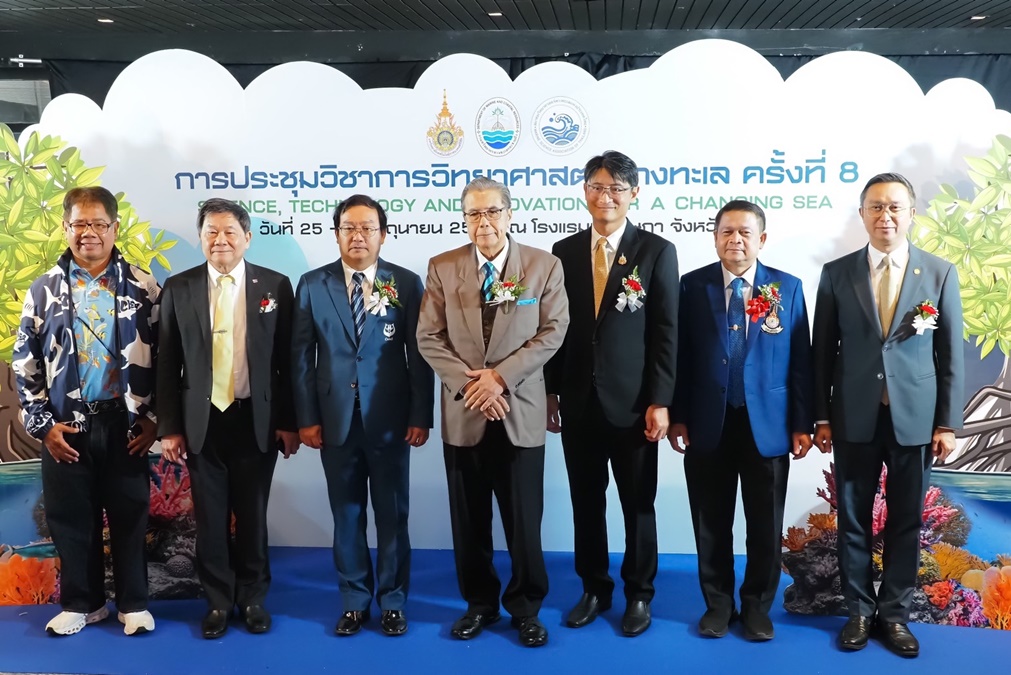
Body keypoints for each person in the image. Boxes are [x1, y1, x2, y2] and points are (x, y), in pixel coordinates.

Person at [812, 173, 964, 657]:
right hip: (853, 416)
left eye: (895, 207)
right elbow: (822, 352)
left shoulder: (939, 273)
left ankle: (894, 615)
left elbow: (949, 355)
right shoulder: (837, 273)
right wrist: (821, 417)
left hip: (915, 419)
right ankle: (859, 612)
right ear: (862, 214)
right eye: (876, 207)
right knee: (853, 520)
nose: (886, 216)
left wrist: (947, 423)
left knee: (905, 522)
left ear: (912, 214)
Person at [417, 176, 568, 647]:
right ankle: (479, 604)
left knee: (524, 523)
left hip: (520, 410)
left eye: (492, 211)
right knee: (469, 521)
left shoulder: (543, 266)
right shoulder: (443, 267)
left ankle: (527, 608)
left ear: (509, 214)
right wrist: (472, 385)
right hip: (466, 412)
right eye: (474, 214)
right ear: (465, 220)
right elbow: (428, 337)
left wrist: (499, 378)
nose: (484, 222)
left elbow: (553, 331)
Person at [13, 186, 160, 637]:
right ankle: (83, 604)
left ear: (114, 227)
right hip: (66, 425)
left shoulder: (143, 285)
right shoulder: (43, 289)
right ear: (65, 227)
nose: (89, 232)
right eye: (79, 223)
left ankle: (133, 603)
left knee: (130, 514)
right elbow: (25, 364)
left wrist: (154, 419)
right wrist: (43, 426)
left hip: (125, 422)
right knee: (70, 516)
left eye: (98, 223)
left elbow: (167, 357)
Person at [545, 150, 679, 636]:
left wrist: (661, 400)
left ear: (634, 194)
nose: (607, 197)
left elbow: (666, 331)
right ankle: (594, 588)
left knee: (638, 505)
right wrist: (551, 392)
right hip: (578, 400)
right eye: (598, 187)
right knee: (587, 502)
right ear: (585, 192)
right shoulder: (563, 251)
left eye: (617, 188)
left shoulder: (656, 251)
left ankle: (639, 593)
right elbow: (554, 328)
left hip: (635, 405)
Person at [669, 200, 813, 641]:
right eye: (727, 232)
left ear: (761, 239)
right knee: (710, 522)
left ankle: (756, 607)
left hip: (767, 426)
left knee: (765, 526)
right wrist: (678, 416)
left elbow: (801, 363)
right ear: (715, 238)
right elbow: (679, 357)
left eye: (745, 232)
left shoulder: (787, 287)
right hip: (707, 423)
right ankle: (717, 605)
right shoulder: (692, 286)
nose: (735, 240)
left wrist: (802, 424)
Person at [291, 194, 434, 637]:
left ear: (383, 235)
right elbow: (301, 358)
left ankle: (393, 602)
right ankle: (354, 601)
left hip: (390, 421)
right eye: (349, 228)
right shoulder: (312, 284)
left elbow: (420, 356)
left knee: (393, 515)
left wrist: (421, 415)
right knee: (347, 515)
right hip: (335, 421)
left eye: (367, 228)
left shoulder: (405, 283)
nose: (358, 236)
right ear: (336, 234)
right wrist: (306, 418)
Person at [156, 198, 298, 639]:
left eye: (230, 231)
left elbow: (288, 362)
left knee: (253, 516)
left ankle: (253, 599)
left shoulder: (274, 286)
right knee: (211, 520)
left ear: (247, 237)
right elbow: (167, 363)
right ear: (201, 239)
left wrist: (289, 422)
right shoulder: (178, 287)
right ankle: (217, 602)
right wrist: (169, 428)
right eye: (211, 232)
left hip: (256, 418)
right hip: (202, 422)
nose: (220, 240)